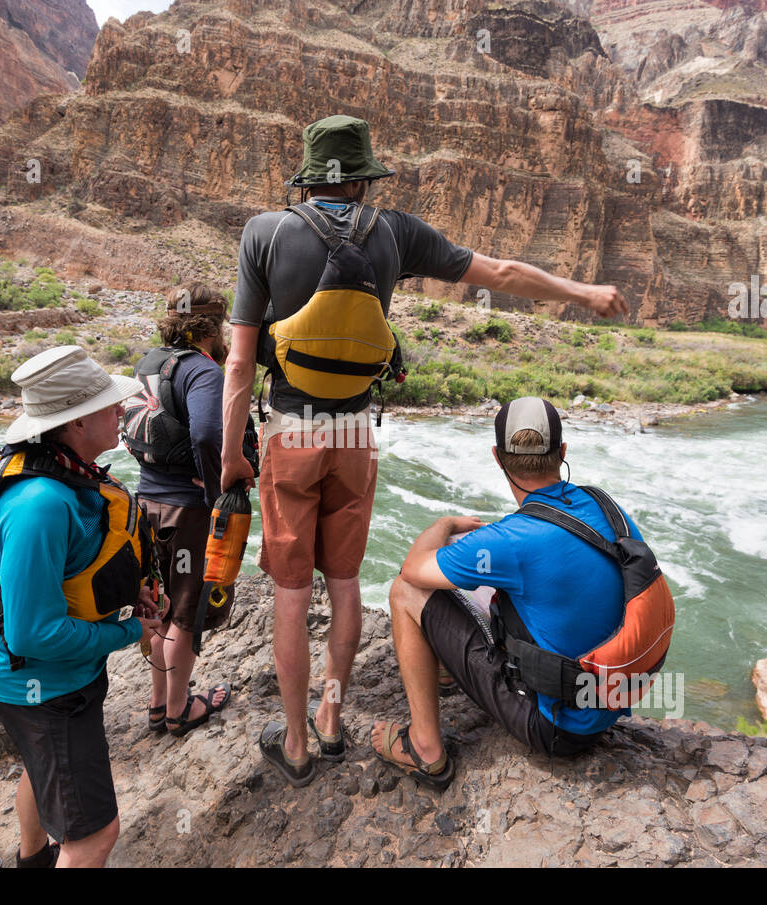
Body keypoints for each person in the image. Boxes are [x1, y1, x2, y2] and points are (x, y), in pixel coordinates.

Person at [220, 114, 631, 786]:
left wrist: (230, 455)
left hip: (290, 431)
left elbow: (239, 364)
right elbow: (497, 270)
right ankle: (331, 718)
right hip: (355, 435)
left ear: (310, 174)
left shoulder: (263, 233)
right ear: (361, 176)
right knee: (346, 581)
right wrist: (580, 292)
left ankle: (294, 744)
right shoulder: (395, 233)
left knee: (292, 592)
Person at [371, 397, 646, 788]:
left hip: (560, 727)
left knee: (405, 591)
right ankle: (448, 670)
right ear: (562, 451)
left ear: (498, 457)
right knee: (485, 569)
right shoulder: (604, 504)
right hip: (608, 699)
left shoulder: (513, 539)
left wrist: (445, 523)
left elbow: (413, 568)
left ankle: (425, 749)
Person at [0, 346, 159, 868]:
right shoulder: (41, 503)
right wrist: (128, 632)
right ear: (73, 423)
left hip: (38, 682)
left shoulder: (63, 472)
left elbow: (71, 572)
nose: (121, 410)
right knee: (94, 834)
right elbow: (33, 634)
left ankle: (33, 859)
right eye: (109, 405)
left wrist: (122, 594)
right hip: (47, 690)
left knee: (40, 771)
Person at [125, 284, 235, 738]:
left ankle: (157, 704)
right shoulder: (203, 371)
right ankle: (178, 710)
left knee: (158, 605)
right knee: (184, 615)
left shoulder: (148, 362)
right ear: (212, 325)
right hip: (188, 511)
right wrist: (216, 490)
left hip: (146, 504)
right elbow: (208, 435)